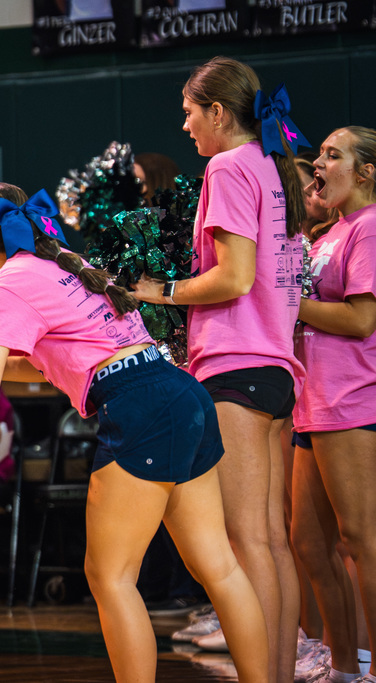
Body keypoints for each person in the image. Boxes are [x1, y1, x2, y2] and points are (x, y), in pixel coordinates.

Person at [0, 181, 269, 682]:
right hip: (179, 392)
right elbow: (48, 366)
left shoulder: (8, 284)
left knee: (109, 577)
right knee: (221, 568)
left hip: (139, 406)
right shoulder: (61, 262)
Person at [132, 56, 307, 682]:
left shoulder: (229, 166)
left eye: (188, 113)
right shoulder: (271, 165)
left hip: (236, 368)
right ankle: (278, 674)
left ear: (216, 111)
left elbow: (232, 278)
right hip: (278, 372)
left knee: (246, 542)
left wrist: (158, 290)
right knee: (271, 540)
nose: (184, 128)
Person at [289, 126, 376, 683]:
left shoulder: (368, 230)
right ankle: (344, 665)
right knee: (308, 542)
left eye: (332, 154)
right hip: (312, 402)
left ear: (366, 171)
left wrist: (292, 304)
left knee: (361, 541)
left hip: (352, 402)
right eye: (319, 153)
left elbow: (362, 318)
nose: (318, 164)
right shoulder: (329, 234)